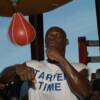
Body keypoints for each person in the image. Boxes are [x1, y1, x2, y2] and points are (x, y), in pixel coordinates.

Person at [0, 26, 92, 100]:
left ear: (66, 42)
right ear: (45, 42)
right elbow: (2, 79)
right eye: (49, 36)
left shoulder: (80, 67)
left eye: (58, 36)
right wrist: (16, 69)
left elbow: (85, 93)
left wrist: (61, 59)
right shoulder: (33, 65)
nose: (52, 38)